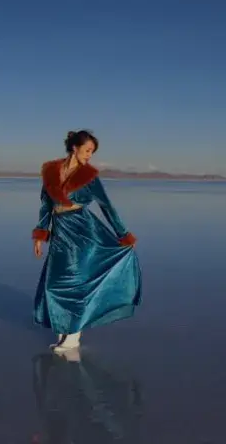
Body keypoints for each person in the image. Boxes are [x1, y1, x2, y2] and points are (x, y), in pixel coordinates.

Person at [31, 130, 142, 352]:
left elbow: (107, 206)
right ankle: (64, 328)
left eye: (92, 152)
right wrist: (41, 234)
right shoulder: (51, 172)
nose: (90, 155)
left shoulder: (89, 176)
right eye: (87, 150)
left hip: (82, 230)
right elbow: (46, 205)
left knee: (75, 282)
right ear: (75, 147)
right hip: (60, 231)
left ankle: (73, 336)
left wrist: (123, 234)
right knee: (54, 284)